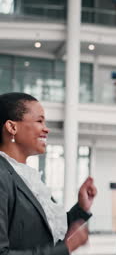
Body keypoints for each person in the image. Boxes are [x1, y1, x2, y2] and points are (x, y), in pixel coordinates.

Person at [0, 92, 98, 255]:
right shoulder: (2, 176)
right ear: (12, 127)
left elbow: (44, 231)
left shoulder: (26, 177)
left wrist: (81, 208)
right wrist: (65, 249)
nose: (46, 129)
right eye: (39, 121)